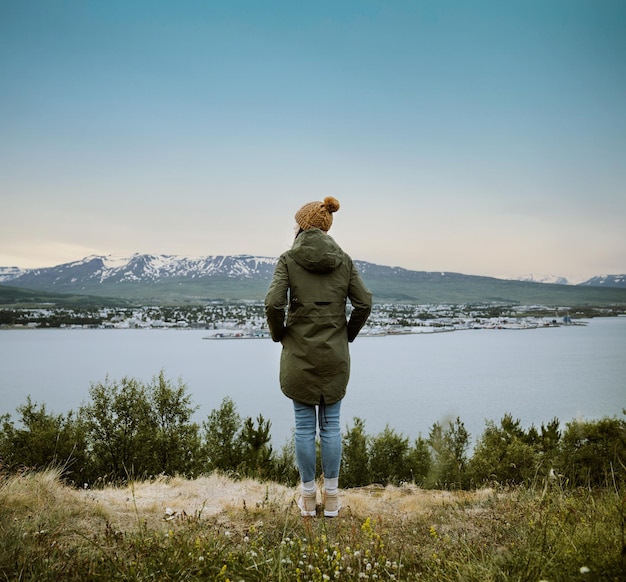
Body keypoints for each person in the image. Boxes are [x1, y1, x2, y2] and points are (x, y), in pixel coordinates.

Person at [264, 196, 372, 517]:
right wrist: (345, 335)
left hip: (298, 356)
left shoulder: (288, 259)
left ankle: (309, 499)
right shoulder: (345, 260)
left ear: (302, 225)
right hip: (335, 356)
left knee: (303, 428)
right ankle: (334, 500)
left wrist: (279, 333)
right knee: (332, 426)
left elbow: (272, 304)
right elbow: (364, 303)